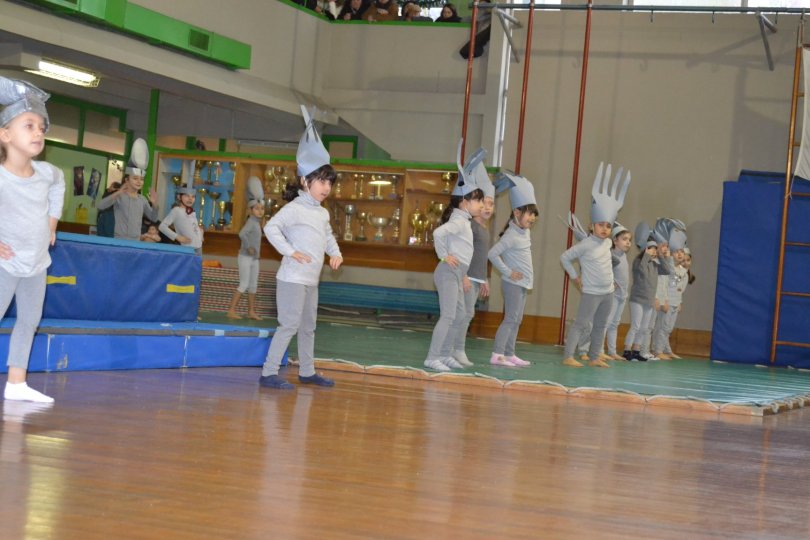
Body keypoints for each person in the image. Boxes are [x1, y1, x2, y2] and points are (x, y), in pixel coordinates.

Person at [260, 106, 342, 390]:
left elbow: (328, 235)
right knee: (289, 326)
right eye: (321, 181)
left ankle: (307, 371)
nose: (326, 187)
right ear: (305, 181)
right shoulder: (294, 208)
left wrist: (336, 253)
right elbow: (270, 228)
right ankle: (268, 373)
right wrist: (289, 251)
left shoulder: (321, 212)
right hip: (292, 279)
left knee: (308, 327)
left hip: (311, 282)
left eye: (329, 183)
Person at [0, 76, 65, 403]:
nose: (38, 131)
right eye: (29, 125)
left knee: (29, 321)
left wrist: (51, 223)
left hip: (37, 262)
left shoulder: (47, 173)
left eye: (41, 126)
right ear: (5, 134)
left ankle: (16, 383)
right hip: (5, 262)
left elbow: (59, 186)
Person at [560, 163, 631, 368]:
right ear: (592, 226)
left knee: (600, 325)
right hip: (591, 292)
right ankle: (568, 356)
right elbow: (565, 257)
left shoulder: (609, 242)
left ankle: (594, 357)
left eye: (608, 225)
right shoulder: (585, 245)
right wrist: (575, 276)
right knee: (582, 324)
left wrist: (612, 282)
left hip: (608, 292)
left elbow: (606, 264)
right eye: (601, 225)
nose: (604, 229)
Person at [423, 144, 485, 372]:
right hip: (448, 272)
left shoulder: (464, 221)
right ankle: (433, 357)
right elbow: (438, 234)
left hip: (457, 274)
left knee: (459, 314)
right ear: (464, 202)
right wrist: (444, 257)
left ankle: (446, 354)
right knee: (449, 315)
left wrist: (462, 273)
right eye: (478, 200)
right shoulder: (459, 220)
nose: (481, 205)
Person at [450, 147, 495, 368]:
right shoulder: (468, 226)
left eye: (491, 204)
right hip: (466, 277)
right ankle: (455, 349)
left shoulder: (484, 229)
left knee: (468, 315)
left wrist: (484, 277)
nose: (487, 208)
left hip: (476, 278)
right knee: (463, 314)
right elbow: (462, 252)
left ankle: (457, 349)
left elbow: (480, 255)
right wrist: (465, 276)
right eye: (483, 203)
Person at [487, 171, 538, 367]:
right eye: (529, 213)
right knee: (510, 319)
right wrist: (508, 272)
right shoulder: (511, 234)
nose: (532, 218)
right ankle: (497, 354)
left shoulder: (524, 232)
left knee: (517, 319)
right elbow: (492, 254)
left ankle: (509, 353)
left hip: (523, 283)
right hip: (513, 284)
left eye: (534, 214)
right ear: (517, 213)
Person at [622, 222, 674, 361]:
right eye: (650, 248)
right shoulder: (639, 262)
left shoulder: (655, 264)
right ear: (645, 248)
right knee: (636, 326)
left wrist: (662, 255)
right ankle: (627, 350)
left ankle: (637, 350)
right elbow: (642, 271)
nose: (653, 251)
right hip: (638, 299)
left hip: (649, 300)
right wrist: (646, 254)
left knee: (644, 328)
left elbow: (667, 270)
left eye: (654, 249)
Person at [96, 138, 159, 241]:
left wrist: (155, 204)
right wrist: (117, 193)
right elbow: (100, 206)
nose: (139, 182)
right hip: (119, 239)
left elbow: (154, 218)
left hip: (136, 241)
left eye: (142, 179)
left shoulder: (142, 199)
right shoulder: (120, 196)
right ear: (127, 180)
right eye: (135, 178)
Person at [227, 176, 265, 320]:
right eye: (257, 208)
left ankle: (251, 311)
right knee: (243, 284)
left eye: (262, 208)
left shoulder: (257, 223)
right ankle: (231, 310)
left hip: (255, 259)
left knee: (253, 285)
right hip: (245, 257)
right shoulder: (251, 222)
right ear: (250, 210)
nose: (260, 211)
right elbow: (241, 234)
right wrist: (248, 247)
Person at [653, 228, 690, 359]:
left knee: (668, 328)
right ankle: (657, 350)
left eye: (681, 251)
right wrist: (664, 300)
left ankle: (666, 349)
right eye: (676, 252)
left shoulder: (683, 270)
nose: (679, 254)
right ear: (670, 253)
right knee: (662, 327)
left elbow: (680, 289)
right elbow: (664, 285)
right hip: (667, 302)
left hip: (675, 302)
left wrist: (679, 302)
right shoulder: (668, 267)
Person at [605, 223, 632, 360]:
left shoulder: (624, 256)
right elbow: (604, 271)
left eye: (629, 239)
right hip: (613, 295)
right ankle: (598, 350)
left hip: (622, 295)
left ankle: (612, 351)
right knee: (607, 322)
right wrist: (611, 281)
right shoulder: (611, 255)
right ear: (615, 241)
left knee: (615, 323)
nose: (628, 242)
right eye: (624, 239)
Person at [158, 183, 204, 254]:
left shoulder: (191, 211)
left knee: (197, 265)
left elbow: (192, 227)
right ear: (179, 197)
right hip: (187, 248)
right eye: (186, 195)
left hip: (198, 246)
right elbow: (162, 226)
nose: (190, 198)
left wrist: (200, 234)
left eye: (193, 196)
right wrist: (177, 237)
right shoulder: (176, 210)